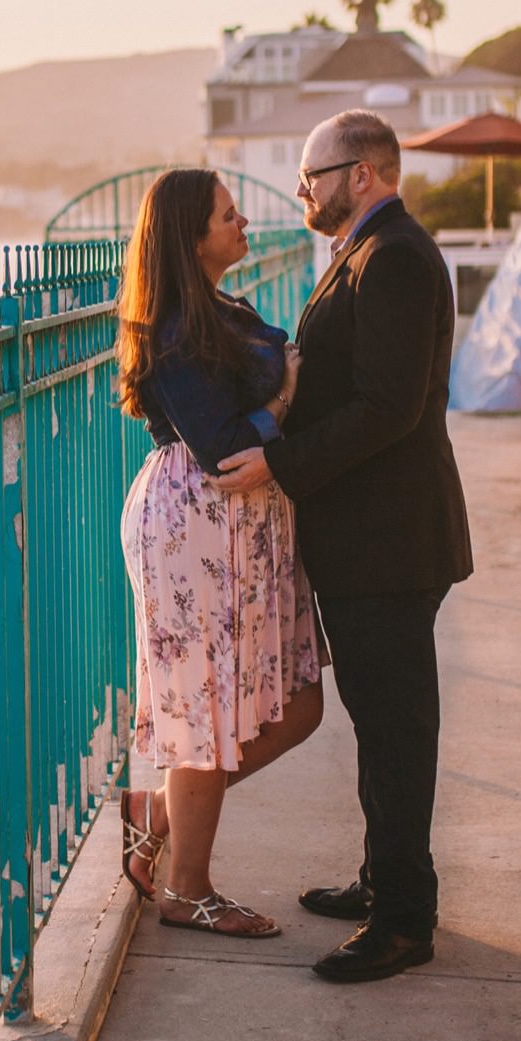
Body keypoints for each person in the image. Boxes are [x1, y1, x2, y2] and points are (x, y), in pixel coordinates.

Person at [216, 110, 473, 983]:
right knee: (379, 721)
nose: (303, 194)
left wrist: (278, 465)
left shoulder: (393, 257)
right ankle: (382, 879)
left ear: (360, 174)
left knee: (397, 730)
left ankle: (406, 919)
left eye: (311, 178)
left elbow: (389, 407)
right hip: (372, 536)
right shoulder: (369, 253)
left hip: (391, 539)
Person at [112, 168, 326, 938]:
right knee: (206, 714)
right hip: (196, 529)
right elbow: (224, 447)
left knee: (299, 706)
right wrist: (281, 398)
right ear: (190, 236)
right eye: (228, 217)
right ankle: (186, 888)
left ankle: (158, 810)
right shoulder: (170, 328)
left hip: (243, 528)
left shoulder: (220, 307)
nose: (244, 226)